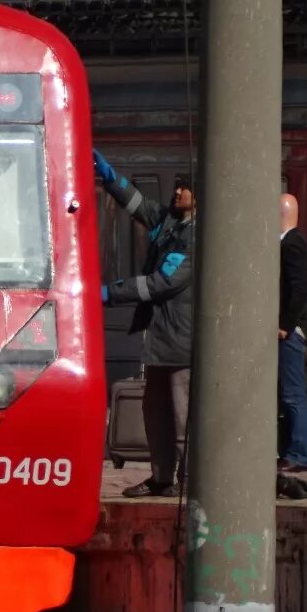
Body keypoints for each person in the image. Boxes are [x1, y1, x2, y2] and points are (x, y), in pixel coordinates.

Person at [93, 149, 195, 498]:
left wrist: (109, 293)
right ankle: (161, 477)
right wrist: (110, 178)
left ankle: (189, 479)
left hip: (182, 340)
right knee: (156, 412)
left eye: (185, 189)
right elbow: (137, 204)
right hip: (161, 338)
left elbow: (160, 283)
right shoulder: (169, 221)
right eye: (178, 186)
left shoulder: (194, 237)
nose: (177, 191)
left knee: (183, 416)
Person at [277, 193, 307, 473]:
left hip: (291, 332)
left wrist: (285, 324)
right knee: (287, 393)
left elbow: (301, 287)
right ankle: (289, 452)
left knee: (293, 394)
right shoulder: (292, 243)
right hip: (291, 330)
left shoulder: (292, 244)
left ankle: (299, 455)